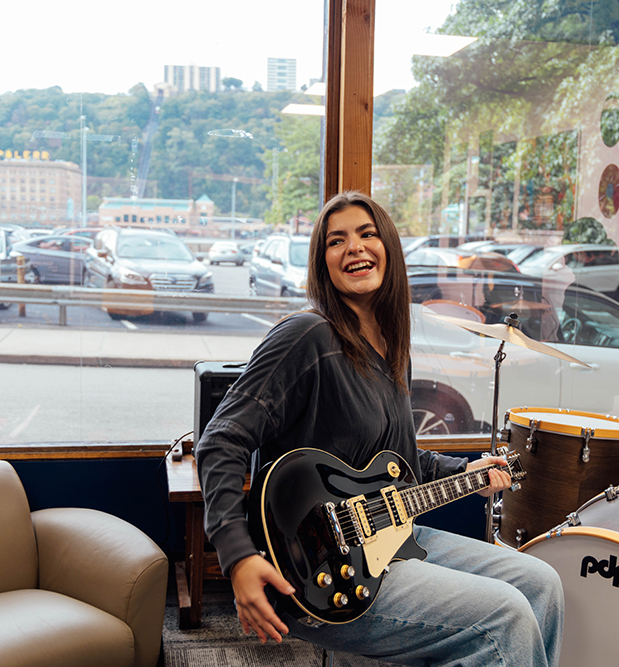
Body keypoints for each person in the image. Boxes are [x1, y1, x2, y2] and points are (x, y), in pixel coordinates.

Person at [195, 191, 564, 666]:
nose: (355, 248)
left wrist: (468, 471)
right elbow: (220, 440)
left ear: (388, 245)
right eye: (337, 240)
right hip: (326, 570)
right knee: (507, 615)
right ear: (321, 261)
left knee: (542, 584)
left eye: (367, 234)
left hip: (391, 536)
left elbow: (399, 463)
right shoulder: (305, 337)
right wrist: (239, 557)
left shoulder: (392, 348)